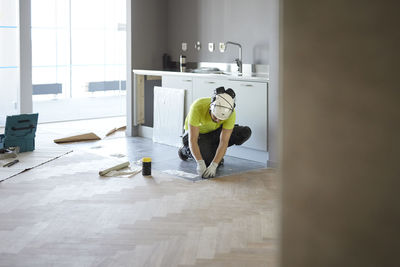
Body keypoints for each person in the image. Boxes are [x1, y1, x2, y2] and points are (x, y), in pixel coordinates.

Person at [178, 86, 252, 178]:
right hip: (197, 135)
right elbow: (193, 140)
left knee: (244, 132)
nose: (217, 120)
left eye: (221, 119)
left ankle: (213, 154)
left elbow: (224, 141)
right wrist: (200, 163)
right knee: (206, 161)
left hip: (214, 133)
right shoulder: (197, 106)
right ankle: (184, 150)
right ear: (210, 108)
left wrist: (214, 165)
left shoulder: (230, 113)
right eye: (215, 116)